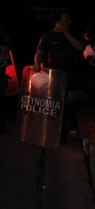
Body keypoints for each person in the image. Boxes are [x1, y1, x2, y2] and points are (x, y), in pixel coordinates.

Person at [33, 12, 87, 141]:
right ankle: (59, 133)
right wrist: (36, 64)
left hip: (72, 74)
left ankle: (75, 129)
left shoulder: (72, 33)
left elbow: (80, 47)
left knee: (71, 102)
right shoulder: (48, 37)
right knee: (57, 103)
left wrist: (66, 33)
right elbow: (39, 53)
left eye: (69, 21)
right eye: (65, 21)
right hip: (55, 74)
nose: (69, 23)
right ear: (58, 22)